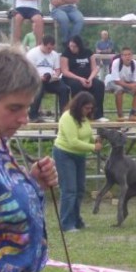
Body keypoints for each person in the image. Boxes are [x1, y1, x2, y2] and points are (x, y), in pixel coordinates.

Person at [0, 47, 58, 272]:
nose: (24, 118)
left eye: (27, 107)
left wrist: (32, 183)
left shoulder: (0, 145)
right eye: (14, 108)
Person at [53, 91, 102, 232]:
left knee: (79, 190)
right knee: (69, 190)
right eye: (86, 108)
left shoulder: (83, 118)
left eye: (91, 108)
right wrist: (93, 147)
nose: (89, 111)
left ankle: (76, 220)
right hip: (64, 154)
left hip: (79, 156)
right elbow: (73, 142)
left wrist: (95, 140)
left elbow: (86, 135)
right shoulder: (67, 117)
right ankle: (66, 223)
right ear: (79, 105)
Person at [60, 35, 107, 121]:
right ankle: (77, 114)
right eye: (70, 46)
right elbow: (65, 71)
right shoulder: (66, 53)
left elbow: (94, 68)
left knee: (99, 85)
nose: (72, 48)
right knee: (76, 85)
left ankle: (98, 115)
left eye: (74, 46)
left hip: (88, 77)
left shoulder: (88, 52)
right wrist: (80, 79)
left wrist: (90, 78)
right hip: (72, 78)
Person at [25, 35, 70, 122]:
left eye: (52, 48)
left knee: (64, 89)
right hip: (36, 79)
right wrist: (39, 77)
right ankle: (33, 115)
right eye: (48, 48)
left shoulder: (54, 54)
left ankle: (64, 116)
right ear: (42, 44)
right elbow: (28, 70)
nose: (50, 50)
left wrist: (56, 75)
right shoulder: (32, 53)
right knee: (39, 89)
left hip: (50, 79)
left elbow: (57, 69)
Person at [105, 47, 136, 121]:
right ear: (121, 56)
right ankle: (120, 115)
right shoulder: (116, 62)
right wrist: (130, 86)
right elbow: (116, 81)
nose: (127, 57)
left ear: (132, 55)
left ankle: (133, 113)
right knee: (119, 89)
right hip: (112, 81)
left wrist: (135, 86)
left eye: (129, 54)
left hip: (127, 82)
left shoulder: (135, 64)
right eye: (125, 55)